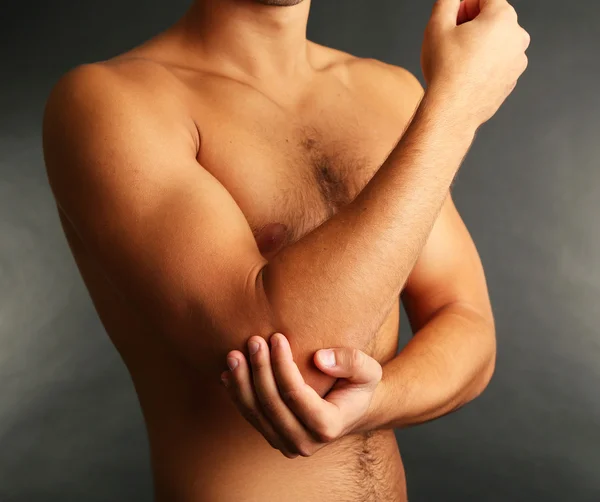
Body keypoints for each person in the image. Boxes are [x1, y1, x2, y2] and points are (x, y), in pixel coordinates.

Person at [42, 0, 530, 500]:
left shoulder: (389, 90)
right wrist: (455, 105)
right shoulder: (109, 100)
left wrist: (373, 402)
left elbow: (467, 324)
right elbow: (289, 362)